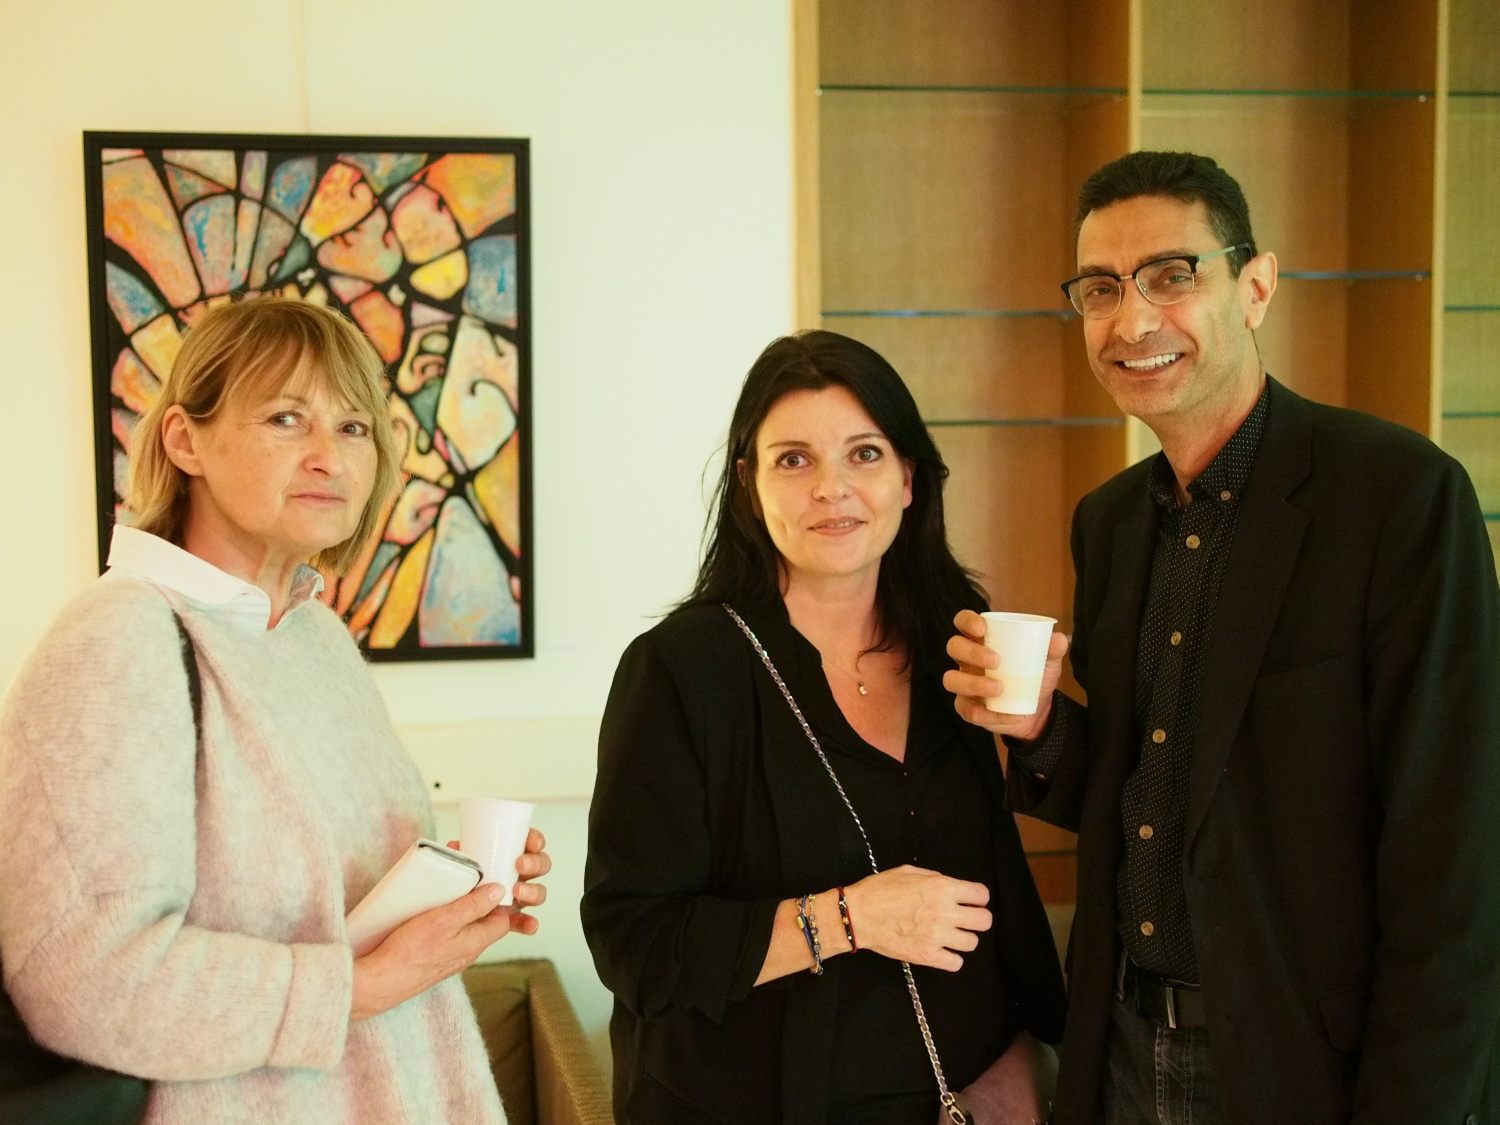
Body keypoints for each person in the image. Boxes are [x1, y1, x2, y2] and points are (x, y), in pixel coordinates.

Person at [944, 150, 1500, 1125]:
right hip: (1124, 1049)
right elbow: (1157, 797)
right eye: (1101, 289)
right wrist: (1039, 731)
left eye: (1171, 275)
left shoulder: (1397, 497)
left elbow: (1455, 858)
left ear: (1256, 287)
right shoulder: (1111, 523)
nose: (1132, 321)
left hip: (1308, 1068)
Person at [0, 297, 551, 1123]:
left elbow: (330, 906)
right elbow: (85, 977)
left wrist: (456, 893)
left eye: (355, 427)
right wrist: (361, 986)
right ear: (184, 440)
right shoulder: (119, 637)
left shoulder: (311, 633)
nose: (330, 456)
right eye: (287, 418)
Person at [581, 330, 1066, 1124]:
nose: (832, 488)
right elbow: (634, 943)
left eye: (864, 454)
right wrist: (849, 918)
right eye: (795, 459)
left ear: (908, 478)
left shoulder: (954, 644)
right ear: (749, 484)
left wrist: (1015, 1056)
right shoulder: (681, 669)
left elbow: (1000, 887)